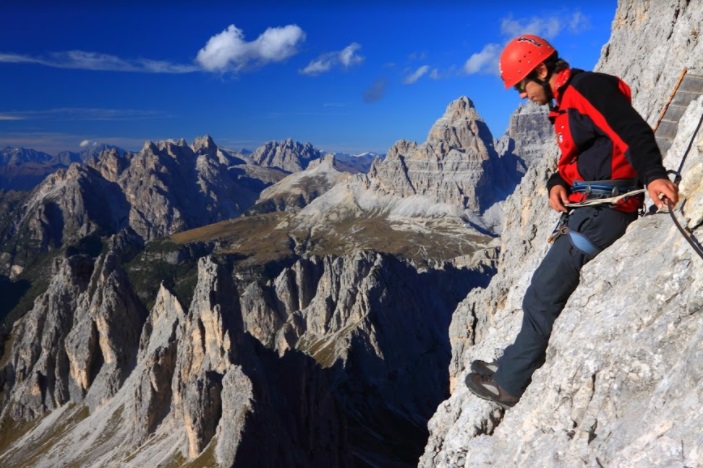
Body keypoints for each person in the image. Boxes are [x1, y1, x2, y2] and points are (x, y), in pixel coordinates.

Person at [465, 34, 679, 408]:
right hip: (589, 206)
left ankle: (509, 384)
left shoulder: (587, 89)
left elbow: (631, 130)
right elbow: (579, 157)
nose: (521, 95)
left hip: (604, 212)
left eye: (522, 85)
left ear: (541, 71)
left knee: (543, 292)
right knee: (541, 289)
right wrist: (556, 182)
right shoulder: (565, 102)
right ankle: (514, 360)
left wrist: (654, 175)